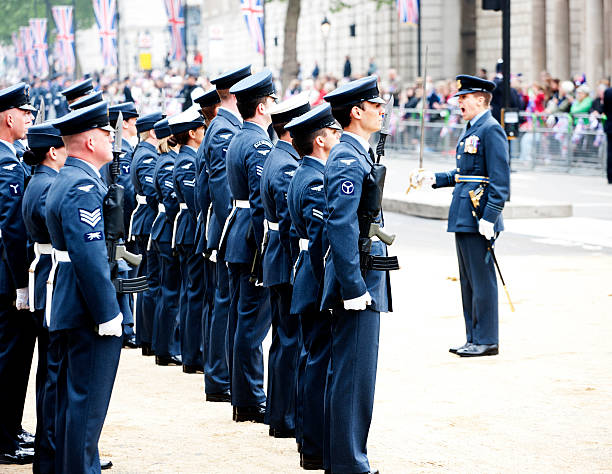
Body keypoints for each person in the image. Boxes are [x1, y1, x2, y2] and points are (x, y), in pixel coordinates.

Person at [46, 101, 124, 472]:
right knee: (86, 408)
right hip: (85, 307)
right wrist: (108, 313)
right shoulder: (80, 184)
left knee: (73, 402)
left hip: (70, 302)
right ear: (91, 141)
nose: (112, 138)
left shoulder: (70, 177)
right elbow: (90, 257)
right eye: (106, 133)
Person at [321, 75, 394, 474]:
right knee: (353, 375)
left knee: (353, 373)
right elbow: (342, 224)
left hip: (364, 275)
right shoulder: (348, 157)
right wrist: (353, 286)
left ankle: (344, 458)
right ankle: (349, 463)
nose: (382, 112)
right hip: (358, 280)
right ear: (356, 112)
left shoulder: (357, 152)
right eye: (376, 106)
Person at [415, 75, 510, 357]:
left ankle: (487, 339)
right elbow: (464, 174)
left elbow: (500, 180)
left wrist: (490, 217)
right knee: (468, 282)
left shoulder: (490, 129)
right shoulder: (473, 128)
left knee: (482, 281)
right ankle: (473, 337)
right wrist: (434, 178)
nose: (459, 103)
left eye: (464, 98)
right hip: (464, 213)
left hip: (479, 215)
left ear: (480, 99)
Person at [285, 103, 341, 471]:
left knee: (311, 360)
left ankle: (309, 440)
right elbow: (321, 240)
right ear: (320, 141)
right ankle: (316, 446)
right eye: (334, 133)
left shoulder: (303, 172)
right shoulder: (316, 180)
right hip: (315, 280)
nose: (338, 138)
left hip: (304, 276)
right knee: (319, 364)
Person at [223, 70, 276, 422]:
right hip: (251, 239)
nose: (274, 106)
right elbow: (260, 203)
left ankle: (244, 395)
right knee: (252, 324)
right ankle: (249, 398)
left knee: (243, 319)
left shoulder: (242, 137)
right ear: (260, 107)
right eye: (271, 101)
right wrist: (265, 250)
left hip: (239, 235)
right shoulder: (257, 143)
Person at [260, 93, 310, 438]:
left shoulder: (277, 156)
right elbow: (292, 223)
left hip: (277, 256)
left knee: (283, 340)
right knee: (290, 341)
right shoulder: (288, 164)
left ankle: (279, 413)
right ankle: (285, 417)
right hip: (286, 257)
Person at [201, 65, 251, 403]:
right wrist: (232, 229)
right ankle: (219, 377)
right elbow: (222, 191)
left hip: (226, 226)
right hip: (226, 226)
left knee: (226, 302)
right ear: (235, 93)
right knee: (224, 303)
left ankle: (222, 373)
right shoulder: (223, 129)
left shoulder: (225, 125)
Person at [21, 123, 67, 472]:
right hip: (52, 277)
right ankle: (52, 448)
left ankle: (49, 445)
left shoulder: (37, 181)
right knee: (54, 373)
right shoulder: (47, 185)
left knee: (49, 371)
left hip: (42, 276)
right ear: (53, 152)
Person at [0, 82, 37, 465]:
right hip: (7, 277)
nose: (29, 119)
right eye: (26, 114)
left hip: (5, 273)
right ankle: (4, 438)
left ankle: (10, 427)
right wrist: (21, 283)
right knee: (9, 359)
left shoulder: (12, 156)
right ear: (9, 117)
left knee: (14, 358)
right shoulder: (6, 162)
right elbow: (12, 229)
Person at [169, 107, 207, 373]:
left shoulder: (186, 158)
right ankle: (192, 354)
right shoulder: (186, 161)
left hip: (187, 229)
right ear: (192, 133)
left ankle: (190, 351)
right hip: (190, 229)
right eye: (202, 129)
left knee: (191, 293)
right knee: (194, 294)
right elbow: (195, 203)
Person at [129, 112, 164, 359]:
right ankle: (149, 337)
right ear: (153, 132)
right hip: (148, 220)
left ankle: (146, 336)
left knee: (146, 281)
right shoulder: (147, 155)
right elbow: (152, 192)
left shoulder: (143, 152)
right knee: (151, 281)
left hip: (144, 220)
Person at [149, 118, 182, 366]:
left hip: (162, 229)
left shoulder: (164, 161)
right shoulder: (168, 162)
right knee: (170, 292)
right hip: (167, 230)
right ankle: (166, 348)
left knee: (167, 291)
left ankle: (163, 346)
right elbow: (171, 204)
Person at [604, 85, 612, 183]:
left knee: (610, 152)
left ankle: (610, 176)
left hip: (610, 126)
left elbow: (605, 109)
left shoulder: (608, 92)